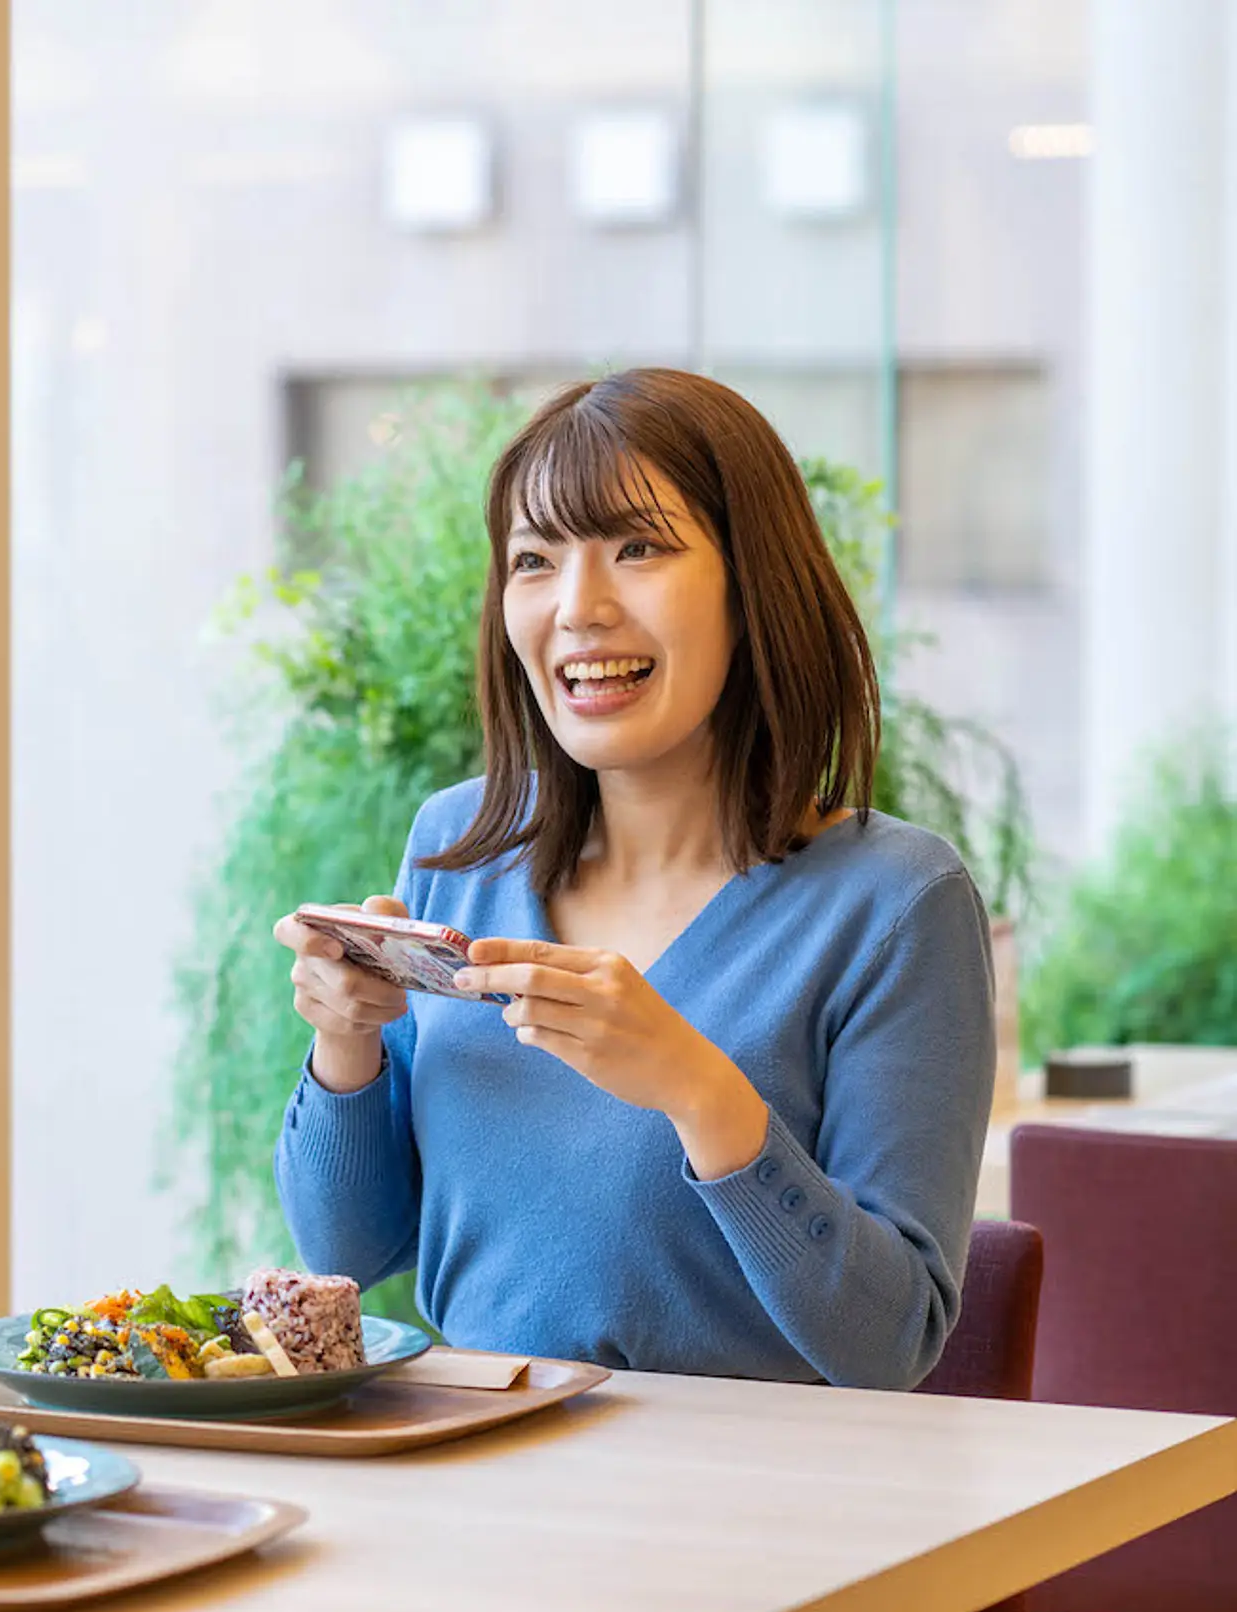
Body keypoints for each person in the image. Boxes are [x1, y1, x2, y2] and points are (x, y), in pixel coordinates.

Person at [273, 368, 995, 1390]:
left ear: (754, 587)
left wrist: (697, 1091)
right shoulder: (461, 846)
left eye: (639, 548)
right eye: (534, 560)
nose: (578, 607)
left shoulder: (893, 903)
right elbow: (348, 1251)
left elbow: (888, 1347)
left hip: (751, 1506)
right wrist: (345, 1041)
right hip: (476, 1461)